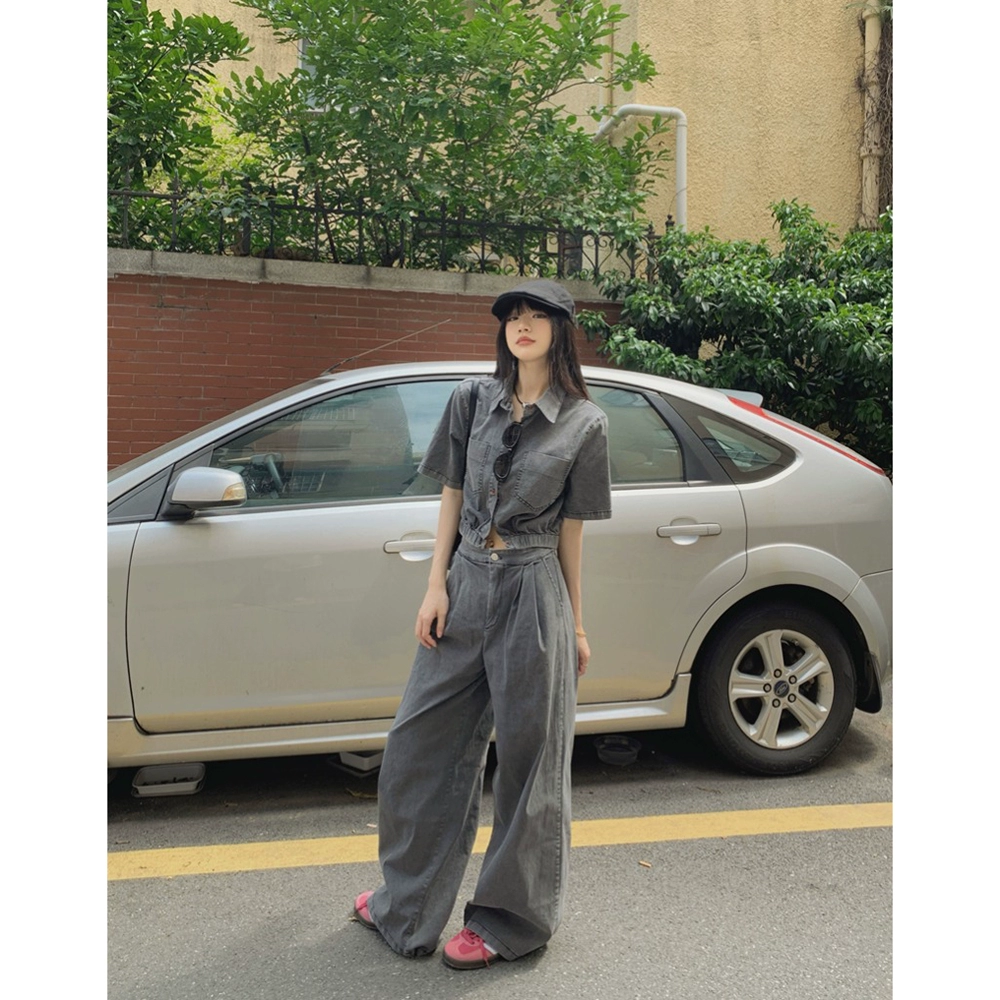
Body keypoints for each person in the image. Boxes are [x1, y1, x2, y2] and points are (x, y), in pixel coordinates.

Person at [351, 279, 612, 969]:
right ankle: (405, 906)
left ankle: (506, 924)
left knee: (531, 764)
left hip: (534, 588)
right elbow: (452, 493)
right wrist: (434, 585)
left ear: (560, 329)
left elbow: (572, 533)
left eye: (536, 316)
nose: (521, 326)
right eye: (512, 317)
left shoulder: (585, 423)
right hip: (465, 581)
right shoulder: (471, 399)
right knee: (417, 746)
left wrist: (576, 626)